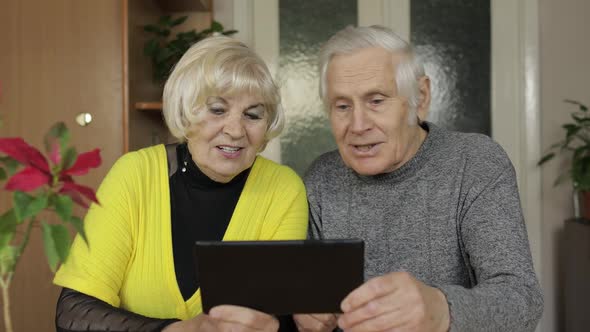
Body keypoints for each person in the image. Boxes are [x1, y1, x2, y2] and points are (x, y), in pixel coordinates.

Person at [294, 25, 543, 332]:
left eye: (376, 100)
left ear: (420, 97)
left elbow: (521, 300)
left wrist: (441, 309)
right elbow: (307, 297)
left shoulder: (475, 162)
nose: (357, 124)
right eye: (342, 106)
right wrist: (303, 310)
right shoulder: (321, 179)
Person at [53, 36, 308, 332]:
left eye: (253, 115)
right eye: (217, 109)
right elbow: (73, 313)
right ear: (186, 111)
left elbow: (283, 319)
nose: (236, 130)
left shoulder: (284, 190)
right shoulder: (134, 174)